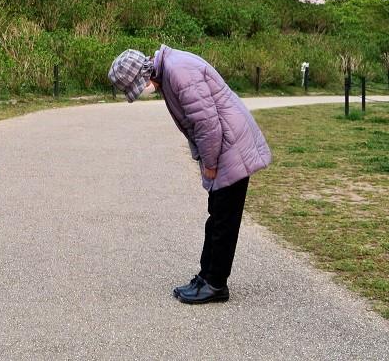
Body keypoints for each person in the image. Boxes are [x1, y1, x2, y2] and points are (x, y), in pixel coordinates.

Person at [108, 45, 271, 304]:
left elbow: (207, 124)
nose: (144, 91)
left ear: (144, 74)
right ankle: (206, 277)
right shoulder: (170, 71)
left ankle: (215, 284)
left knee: (224, 220)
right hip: (226, 144)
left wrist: (210, 163)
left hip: (231, 145)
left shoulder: (179, 72)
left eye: (139, 86)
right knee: (217, 215)